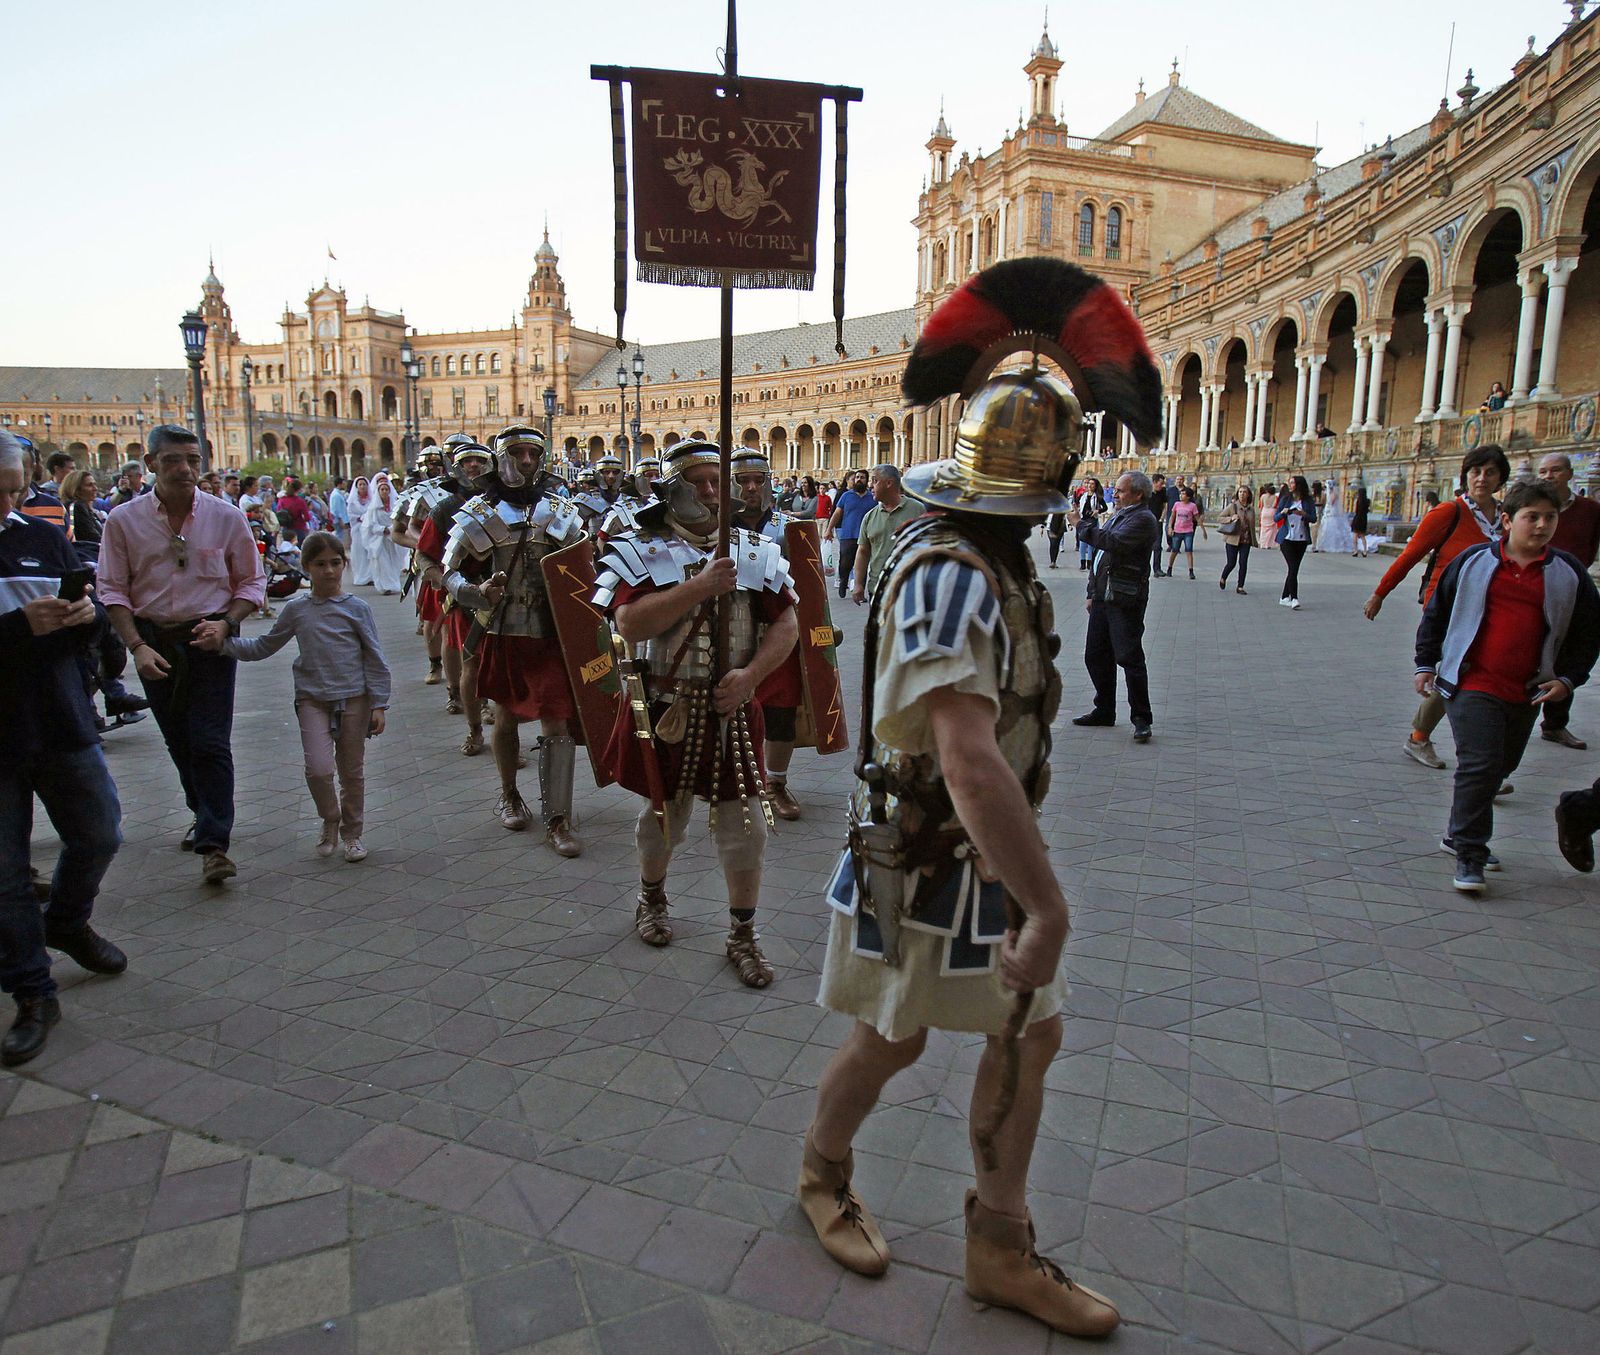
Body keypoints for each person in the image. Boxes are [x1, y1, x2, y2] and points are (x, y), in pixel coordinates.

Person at [802, 256, 1158, 1337]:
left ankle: (998, 1245)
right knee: (895, 1035)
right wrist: (1046, 904)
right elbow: (964, 755)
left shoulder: (986, 552)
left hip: (978, 857)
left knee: (1024, 1036)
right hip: (919, 854)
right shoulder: (953, 569)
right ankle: (821, 1174)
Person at [592, 438, 798, 987]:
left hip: (733, 709)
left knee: (747, 827)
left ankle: (743, 934)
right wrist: (700, 585)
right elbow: (629, 625)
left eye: (717, 481)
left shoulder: (754, 549)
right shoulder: (643, 546)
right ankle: (652, 899)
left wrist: (751, 676)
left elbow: (788, 625)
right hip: (669, 707)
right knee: (664, 819)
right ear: (672, 486)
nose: (710, 492)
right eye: (697, 481)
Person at [0, 430, 128, 1067]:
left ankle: (68, 921)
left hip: (57, 717)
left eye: (15, 490)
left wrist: (90, 620)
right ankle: (32, 990)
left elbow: (89, 610)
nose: (8, 503)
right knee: (5, 874)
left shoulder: (40, 535)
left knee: (100, 833)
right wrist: (15, 628)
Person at [97, 424, 266, 885]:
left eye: (193, 459)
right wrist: (137, 646)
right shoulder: (123, 521)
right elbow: (111, 589)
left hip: (209, 639)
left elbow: (251, 581)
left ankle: (214, 844)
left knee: (210, 742)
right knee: (180, 742)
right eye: (173, 460)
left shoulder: (225, 517)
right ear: (150, 464)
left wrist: (227, 623)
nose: (186, 469)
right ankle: (202, 810)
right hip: (155, 643)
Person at [1415, 480, 1599, 893]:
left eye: (1549, 517)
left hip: (1528, 689)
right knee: (1479, 765)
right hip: (1472, 681)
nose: (1541, 525)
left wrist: (1568, 680)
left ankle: (1456, 832)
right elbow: (1437, 613)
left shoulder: (1568, 573)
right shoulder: (1473, 562)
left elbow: (1589, 635)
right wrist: (1425, 662)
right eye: (1531, 517)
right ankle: (1470, 853)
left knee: (1501, 766)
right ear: (1507, 520)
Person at [205, 532, 391, 863]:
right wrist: (223, 644)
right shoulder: (296, 610)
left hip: (355, 698)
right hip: (312, 698)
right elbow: (265, 645)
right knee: (318, 769)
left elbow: (374, 657)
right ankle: (330, 816)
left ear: (344, 565)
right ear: (306, 568)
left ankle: (352, 833)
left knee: (352, 770)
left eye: (336, 563)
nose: (329, 571)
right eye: (320, 564)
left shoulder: (357, 608)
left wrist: (379, 704)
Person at [442, 426, 583, 855]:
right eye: (518, 454)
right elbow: (447, 572)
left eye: (533, 454)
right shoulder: (478, 512)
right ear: (501, 459)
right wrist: (476, 591)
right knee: (505, 717)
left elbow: (581, 568)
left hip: (550, 631)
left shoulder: (560, 510)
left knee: (556, 722)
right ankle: (509, 793)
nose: (526, 462)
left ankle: (558, 817)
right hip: (503, 629)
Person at [1364, 445, 1511, 771]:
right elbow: (1410, 556)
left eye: (1490, 472)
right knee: (1463, 673)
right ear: (1466, 475)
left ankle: (1422, 739)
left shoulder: (1504, 517)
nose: (1482, 478)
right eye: (1475, 471)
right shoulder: (1449, 512)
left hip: (1490, 608)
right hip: (1448, 608)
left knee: (1461, 673)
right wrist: (1380, 594)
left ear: (1501, 477)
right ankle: (1480, 764)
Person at [733, 447, 810, 820]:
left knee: (780, 711)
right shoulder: (713, 529)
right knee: (728, 709)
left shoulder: (788, 527)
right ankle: (735, 781)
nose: (750, 487)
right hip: (727, 633)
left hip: (778, 634)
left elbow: (808, 586)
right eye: (742, 480)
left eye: (757, 480)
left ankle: (775, 783)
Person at [1072, 471, 1159, 741]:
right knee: (1096, 655)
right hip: (1103, 596)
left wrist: (1079, 525)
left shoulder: (1144, 519)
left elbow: (1112, 543)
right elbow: (1100, 556)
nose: (1115, 495)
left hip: (1124, 598)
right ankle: (1105, 709)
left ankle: (1141, 718)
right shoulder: (1120, 515)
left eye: (1120, 491)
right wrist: (1091, 592)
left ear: (1138, 494)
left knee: (1129, 657)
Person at [1536, 452, 1600, 752]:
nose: (1549, 476)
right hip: (1534, 587)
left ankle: (1555, 723)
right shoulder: (1532, 508)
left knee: (1569, 653)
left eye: (1556, 471)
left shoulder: (1589, 510)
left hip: (1574, 588)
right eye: (1544, 471)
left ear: (1570, 474)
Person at [850, 464, 921, 604]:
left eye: (875, 481)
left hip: (909, 589)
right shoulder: (870, 517)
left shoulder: (917, 510)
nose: (871, 486)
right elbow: (863, 552)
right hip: (877, 589)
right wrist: (858, 584)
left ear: (889, 483)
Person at [825, 469, 873, 598]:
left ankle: (860, 590)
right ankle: (843, 581)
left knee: (862, 564)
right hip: (848, 535)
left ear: (866, 480)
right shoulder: (846, 496)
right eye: (857, 477)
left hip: (865, 537)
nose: (858, 479)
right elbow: (837, 513)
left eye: (862, 477)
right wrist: (829, 529)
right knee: (845, 563)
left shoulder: (873, 498)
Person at [1274, 475, 1318, 609]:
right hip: (1287, 539)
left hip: (1301, 539)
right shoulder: (1285, 499)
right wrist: (1283, 513)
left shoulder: (1308, 501)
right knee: (1292, 568)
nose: (1290, 485)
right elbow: (1276, 517)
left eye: (1292, 482)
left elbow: (1314, 518)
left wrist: (1304, 514)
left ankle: (1283, 597)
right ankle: (1294, 598)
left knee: (1294, 570)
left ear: (1299, 485)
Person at [364, 472, 405, 595]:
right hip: (378, 540)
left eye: (386, 489)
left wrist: (393, 528)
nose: (384, 491)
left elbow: (400, 519)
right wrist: (383, 529)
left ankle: (393, 584)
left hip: (392, 538)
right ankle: (384, 586)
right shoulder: (373, 508)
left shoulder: (395, 506)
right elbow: (370, 525)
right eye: (382, 489)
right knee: (382, 563)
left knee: (392, 561)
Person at [1217, 483, 1257, 593]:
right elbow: (1219, 518)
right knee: (1231, 563)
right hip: (1232, 539)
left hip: (1246, 540)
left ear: (1248, 495)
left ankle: (1240, 586)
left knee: (1243, 563)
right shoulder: (1232, 507)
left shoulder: (1251, 509)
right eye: (1240, 492)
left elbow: (1252, 527)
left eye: (1244, 492)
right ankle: (1223, 577)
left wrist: (1255, 540)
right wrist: (1230, 518)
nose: (1242, 494)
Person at [1162, 486, 1206, 580]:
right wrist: (1170, 527)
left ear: (1188, 496)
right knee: (1174, 550)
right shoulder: (1177, 504)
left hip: (1188, 531)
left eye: (1183, 494)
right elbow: (1172, 517)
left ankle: (1191, 571)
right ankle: (1169, 568)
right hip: (1178, 531)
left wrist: (1203, 530)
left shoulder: (1192, 506)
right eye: (1181, 494)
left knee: (1189, 550)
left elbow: (1197, 518)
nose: (1181, 495)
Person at [346, 476, 374, 586]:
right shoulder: (352, 501)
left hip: (369, 530)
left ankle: (370, 576)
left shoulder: (371, 500)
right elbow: (350, 515)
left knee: (369, 553)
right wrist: (359, 518)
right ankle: (360, 576)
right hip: (357, 530)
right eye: (360, 485)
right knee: (359, 553)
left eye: (364, 484)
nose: (362, 486)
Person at [1318, 478, 1356, 555]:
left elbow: (1331, 503)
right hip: (1327, 512)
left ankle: (1335, 545)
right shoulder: (1327, 494)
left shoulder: (1334, 494)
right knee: (1325, 528)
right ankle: (1323, 545)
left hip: (1332, 512)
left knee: (1334, 528)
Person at [1074, 478, 1103, 570]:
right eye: (1088, 484)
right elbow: (1076, 502)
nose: (1089, 485)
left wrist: (1097, 511)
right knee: (1082, 542)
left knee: (1091, 544)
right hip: (1084, 521)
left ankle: (1089, 563)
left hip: (1093, 521)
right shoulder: (1083, 495)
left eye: (1092, 484)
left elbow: (1105, 507)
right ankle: (1082, 563)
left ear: (1095, 486)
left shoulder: (1097, 497)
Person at [276, 477, 311, 542]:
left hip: (286, 528)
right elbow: (307, 517)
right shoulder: (300, 501)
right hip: (299, 528)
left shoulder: (282, 500)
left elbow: (278, 511)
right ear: (298, 489)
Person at [1149, 473, 1170, 575]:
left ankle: (1157, 568)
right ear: (1154, 482)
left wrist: (1162, 518)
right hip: (1147, 522)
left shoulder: (1163, 492)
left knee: (1157, 546)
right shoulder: (1147, 493)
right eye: (1160, 483)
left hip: (1158, 521)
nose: (1161, 486)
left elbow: (1165, 505)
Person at [1350, 480, 1372, 557]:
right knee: (1363, 536)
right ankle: (1365, 551)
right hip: (1364, 518)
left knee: (1355, 535)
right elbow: (1370, 510)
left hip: (1357, 518)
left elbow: (1354, 510)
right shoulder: (1368, 501)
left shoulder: (1357, 500)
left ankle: (1355, 551)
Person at [328, 476, 350, 548]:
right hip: (338, 520)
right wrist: (341, 520)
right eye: (343, 483)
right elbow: (337, 509)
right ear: (339, 484)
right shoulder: (336, 495)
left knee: (340, 535)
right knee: (338, 535)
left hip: (341, 518)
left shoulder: (338, 494)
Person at [1256, 483, 1279, 551]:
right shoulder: (1275, 497)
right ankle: (1270, 544)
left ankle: (1263, 543)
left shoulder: (1263, 496)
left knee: (1264, 529)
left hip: (1265, 511)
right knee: (1272, 529)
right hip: (1272, 511)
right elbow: (1276, 505)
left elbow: (1260, 505)